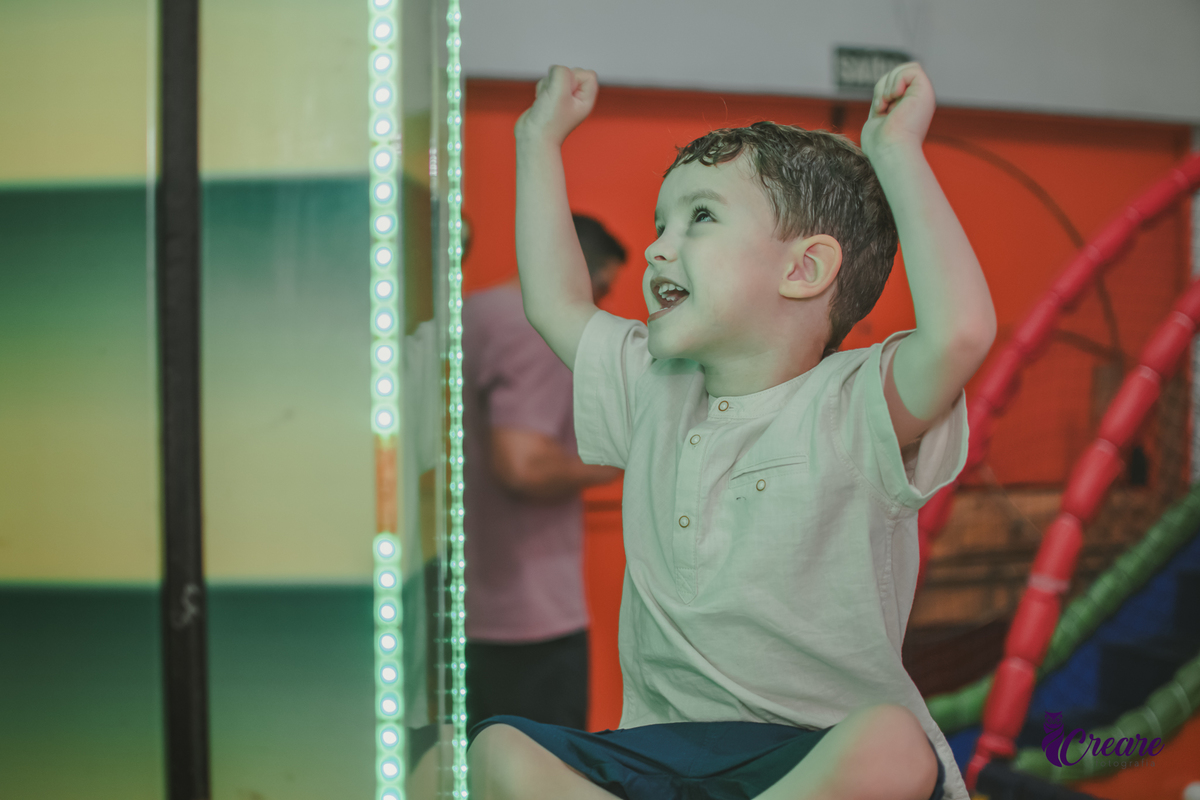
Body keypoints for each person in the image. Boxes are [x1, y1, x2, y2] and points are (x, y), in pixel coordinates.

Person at [467, 61, 996, 800]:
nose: (656, 248)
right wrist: (538, 138)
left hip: (809, 752)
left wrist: (897, 151)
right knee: (491, 750)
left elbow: (961, 334)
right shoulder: (653, 387)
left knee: (893, 746)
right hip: (661, 751)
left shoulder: (855, 406)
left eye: (700, 219)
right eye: (661, 224)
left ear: (805, 269)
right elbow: (556, 302)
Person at [462, 214, 625, 731]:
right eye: (602, 287)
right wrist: (619, 458)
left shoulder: (472, 312)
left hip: (469, 606)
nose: (601, 305)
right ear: (580, 270)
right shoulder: (535, 329)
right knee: (544, 768)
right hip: (528, 615)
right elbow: (524, 464)